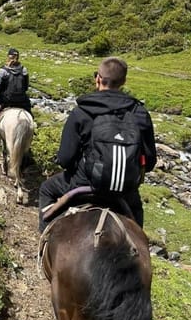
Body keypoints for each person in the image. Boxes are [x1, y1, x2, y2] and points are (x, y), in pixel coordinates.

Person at [38, 57, 156, 232]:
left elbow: (64, 158)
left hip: (83, 184)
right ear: (123, 81)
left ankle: (44, 240)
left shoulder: (82, 111)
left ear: (98, 78)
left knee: (46, 189)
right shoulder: (139, 112)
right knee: (137, 232)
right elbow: (150, 162)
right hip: (125, 191)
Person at [0, 47, 31, 136]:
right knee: (29, 111)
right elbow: (26, 87)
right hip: (21, 100)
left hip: (6, 100)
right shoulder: (24, 70)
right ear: (18, 57)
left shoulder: (3, 71)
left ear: (8, 57)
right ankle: (33, 126)